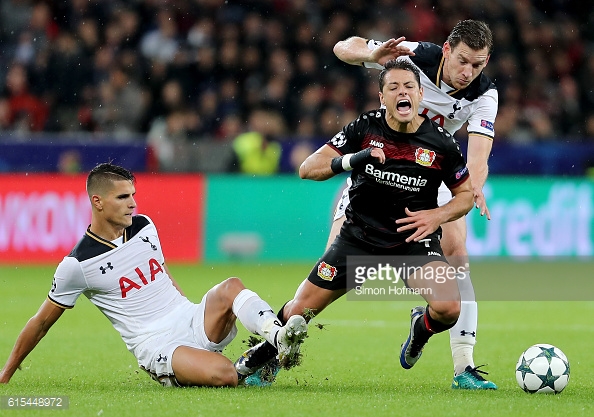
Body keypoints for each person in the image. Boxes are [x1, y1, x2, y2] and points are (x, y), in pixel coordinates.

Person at [235, 59, 474, 386]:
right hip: (358, 239)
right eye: (393, 87)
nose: (402, 93)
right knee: (297, 314)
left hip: (412, 241)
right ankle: (266, 357)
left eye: (409, 87)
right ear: (382, 98)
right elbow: (307, 167)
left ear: (420, 95)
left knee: (449, 307)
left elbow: (465, 196)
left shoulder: (442, 144)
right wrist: (352, 160)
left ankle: (420, 328)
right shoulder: (365, 129)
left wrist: (436, 215)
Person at [0, 163, 307, 387]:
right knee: (225, 376)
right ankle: (247, 364)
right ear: (98, 202)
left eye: (133, 195)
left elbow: (162, 274)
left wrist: (191, 313)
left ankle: (277, 337)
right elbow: (40, 323)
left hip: (187, 316)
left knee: (230, 287)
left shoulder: (144, 225)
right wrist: (5, 374)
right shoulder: (77, 265)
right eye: (122, 197)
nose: (132, 203)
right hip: (157, 344)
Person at [329, 19, 498, 390]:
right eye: (463, 61)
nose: (469, 72)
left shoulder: (485, 95)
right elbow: (343, 46)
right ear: (448, 50)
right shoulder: (412, 57)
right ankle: (276, 349)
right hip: (378, 169)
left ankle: (463, 366)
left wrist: (474, 187)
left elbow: (479, 158)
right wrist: (371, 54)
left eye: (479, 65)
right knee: (333, 264)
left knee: (457, 254)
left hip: (431, 174)